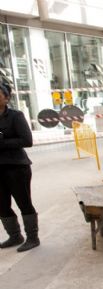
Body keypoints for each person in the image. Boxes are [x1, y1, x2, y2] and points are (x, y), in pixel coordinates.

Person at [0, 82, 39, 252]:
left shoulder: (16, 116)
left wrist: (2, 142)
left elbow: (27, 141)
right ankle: (15, 236)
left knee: (24, 202)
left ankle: (32, 238)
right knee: (1, 205)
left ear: (6, 98)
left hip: (16, 167)